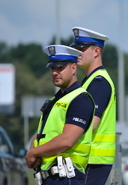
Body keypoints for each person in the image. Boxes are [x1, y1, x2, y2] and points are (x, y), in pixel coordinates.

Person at [25, 45, 95, 185]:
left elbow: (66, 140)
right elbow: (44, 134)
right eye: (52, 68)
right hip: (50, 177)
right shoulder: (54, 100)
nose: (55, 73)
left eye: (60, 68)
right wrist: (33, 149)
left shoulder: (81, 99)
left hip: (66, 177)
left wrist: (34, 153)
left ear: (73, 68)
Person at [70, 27, 116, 185]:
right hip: (91, 159)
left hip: (94, 160)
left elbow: (91, 124)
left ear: (96, 51)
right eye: (75, 49)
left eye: (81, 49)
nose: (77, 53)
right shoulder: (91, 80)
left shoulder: (98, 82)